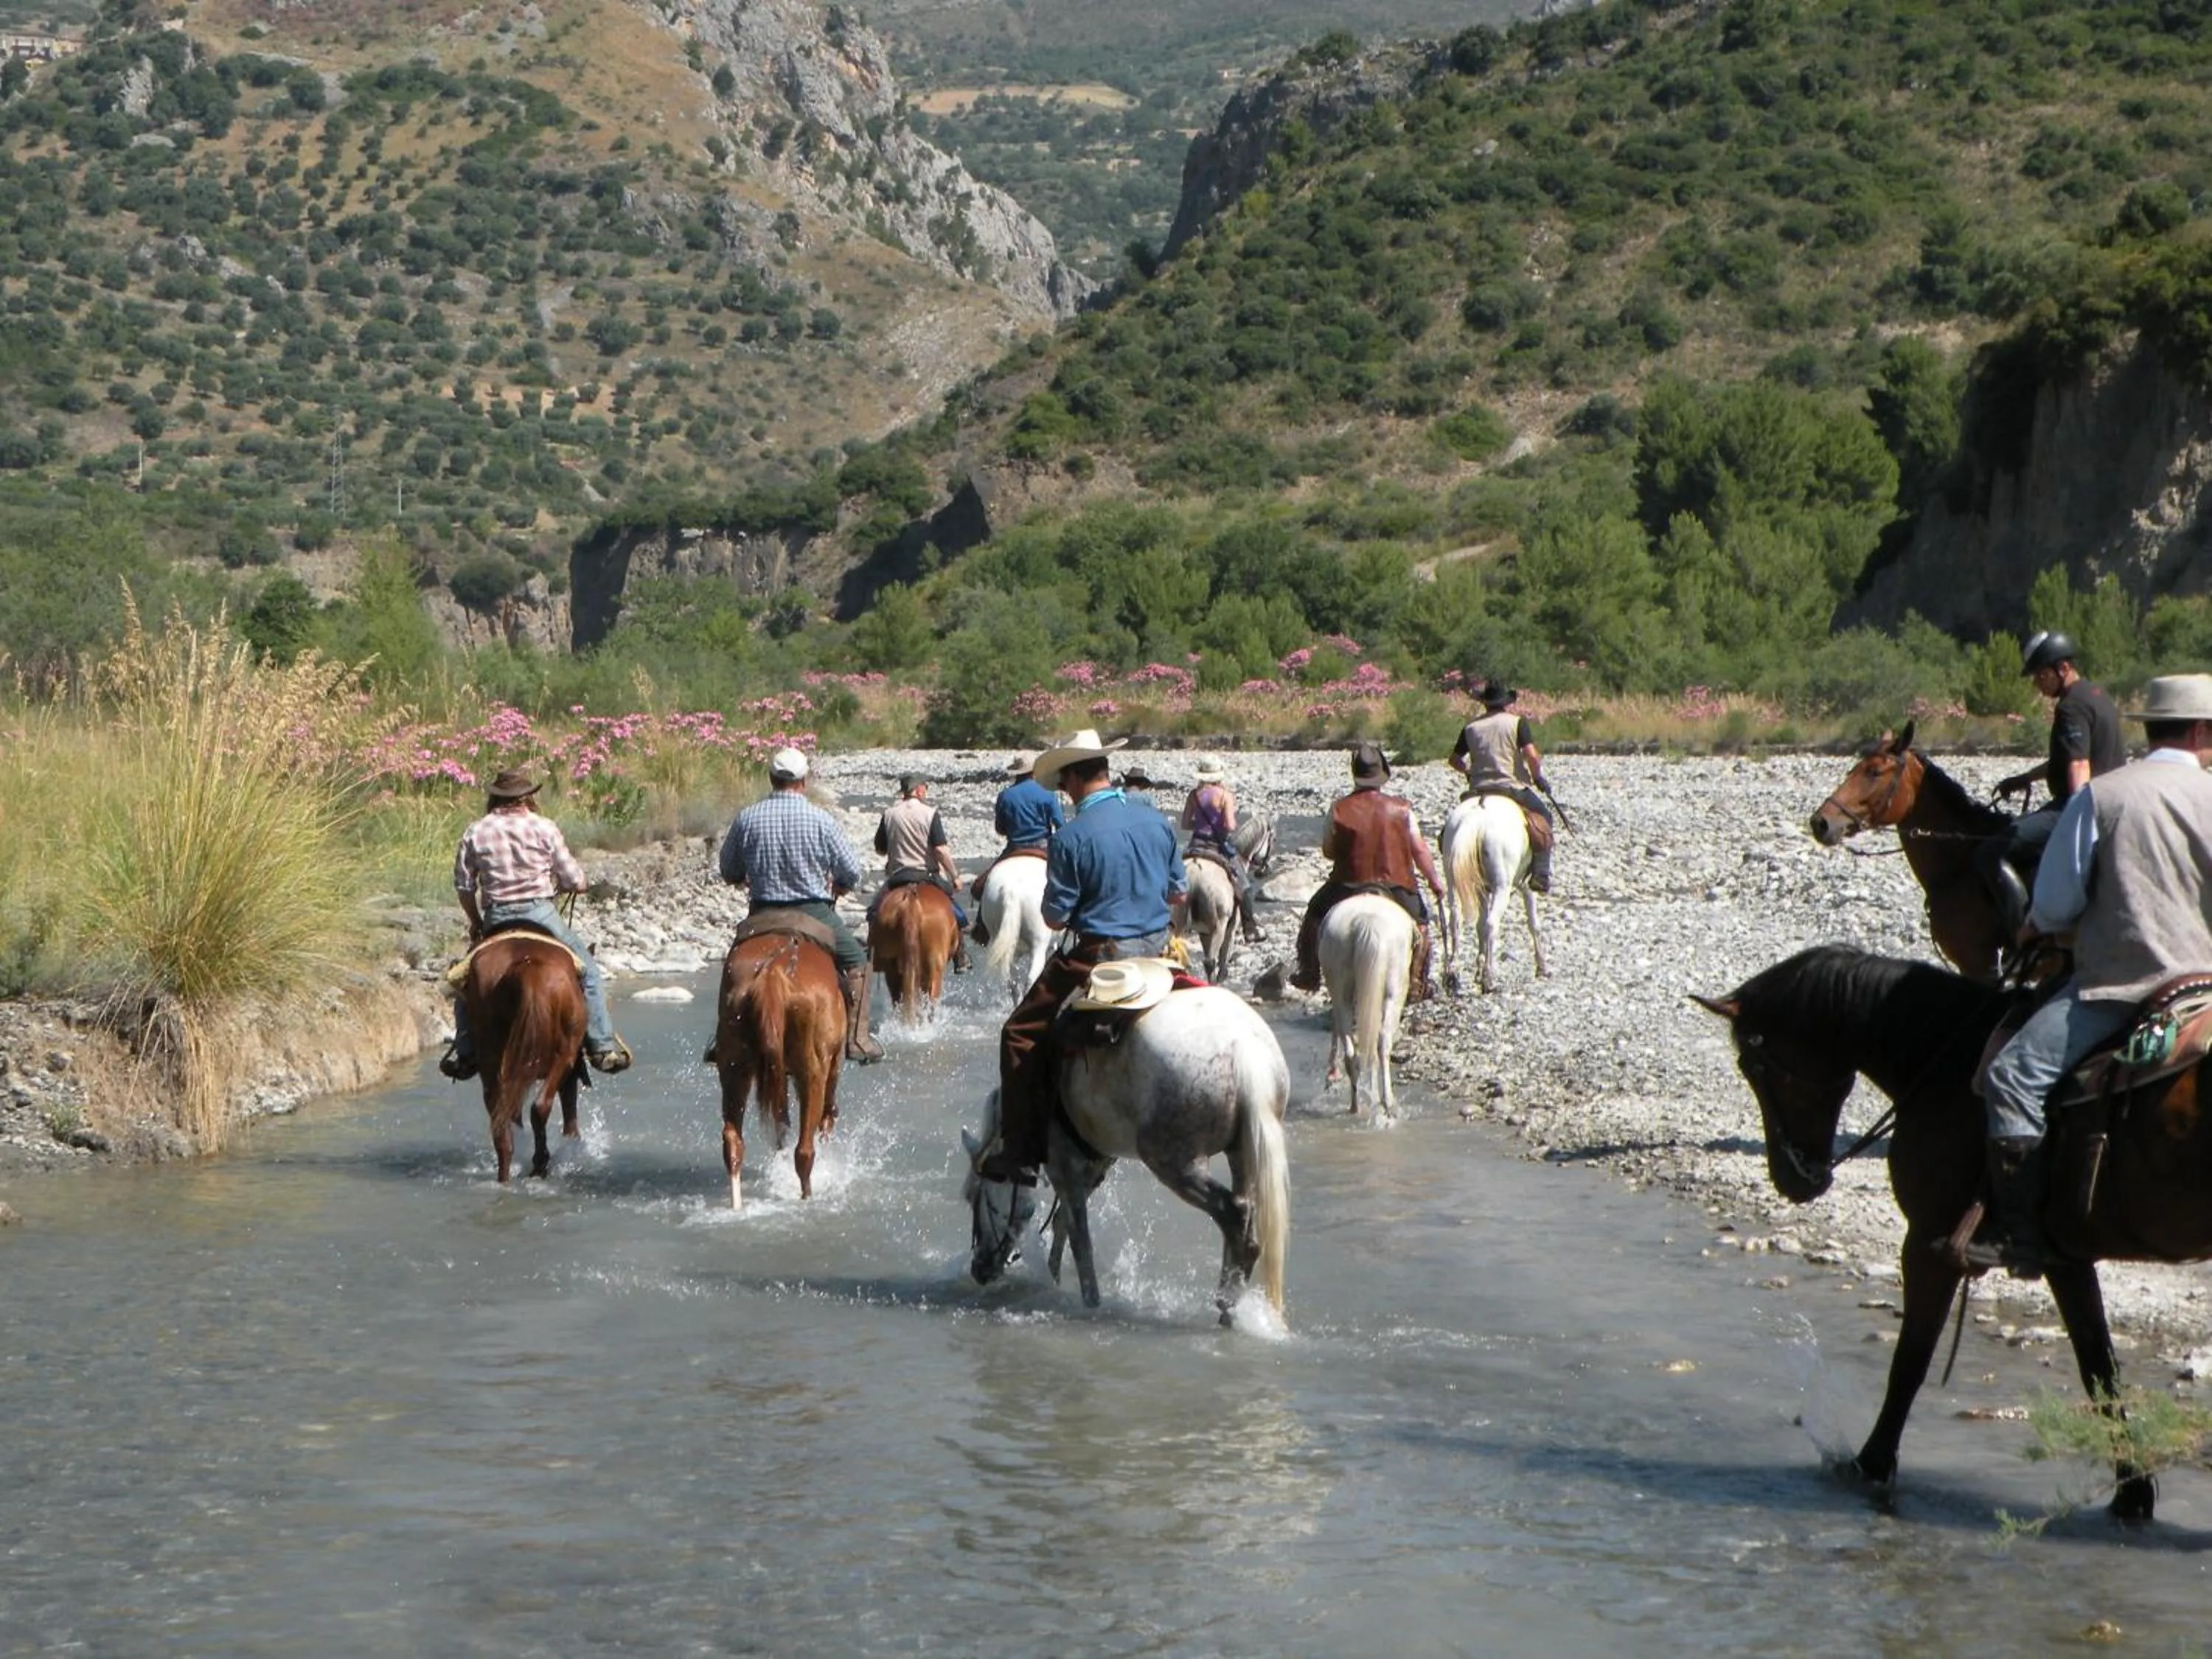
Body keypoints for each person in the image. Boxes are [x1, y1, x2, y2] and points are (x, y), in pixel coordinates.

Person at [1974, 674, 2212, 1276]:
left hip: (2123, 988)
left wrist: (2034, 928)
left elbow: (2055, 903)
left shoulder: (2104, 797)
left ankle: (2021, 1239)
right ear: (2202, 730)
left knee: (2012, 1077)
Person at [976, 728, 1186, 1182]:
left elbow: (1054, 918)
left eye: (1063, 783)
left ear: (1072, 779)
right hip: (1161, 951)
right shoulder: (1156, 819)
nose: (1063, 793)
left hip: (1101, 956)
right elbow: (1177, 895)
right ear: (1105, 771)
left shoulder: (1071, 838)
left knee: (1017, 1032)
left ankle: (1021, 1154)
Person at [440, 768, 630, 1079]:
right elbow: (575, 880)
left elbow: (464, 887)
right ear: (527, 796)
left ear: (495, 797)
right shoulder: (544, 826)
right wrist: (572, 885)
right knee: (590, 972)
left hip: (497, 916)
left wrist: (476, 922)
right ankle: (603, 1046)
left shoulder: (476, 831)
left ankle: (466, 1052)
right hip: (541, 914)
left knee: (464, 982)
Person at [717, 746, 884, 1063]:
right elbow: (852, 871)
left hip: (763, 913)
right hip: (814, 912)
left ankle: (724, 1037)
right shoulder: (821, 820)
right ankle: (857, 1039)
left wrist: (746, 876)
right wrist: (842, 886)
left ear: (771, 778)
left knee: (733, 967)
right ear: (804, 781)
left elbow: (729, 870)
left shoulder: (747, 818)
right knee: (857, 962)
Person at [1976, 630, 2126, 932]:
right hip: (2110, 800)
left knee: (1989, 852)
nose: (2036, 682)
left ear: (2063, 668)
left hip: (2083, 806)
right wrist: (2025, 778)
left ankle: (2024, 935)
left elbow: (2080, 764)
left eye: (2041, 674)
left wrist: (2075, 817)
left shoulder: (2070, 708)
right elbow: (2070, 756)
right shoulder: (2097, 696)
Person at [1289, 742, 1444, 999]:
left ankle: (1309, 973)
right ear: (1381, 774)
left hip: (1347, 884)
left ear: (1355, 774)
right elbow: (1420, 851)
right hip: (1396, 884)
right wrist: (1434, 881)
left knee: (1314, 913)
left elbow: (1328, 851)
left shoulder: (1339, 809)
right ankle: (1417, 981)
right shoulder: (1403, 809)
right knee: (1421, 924)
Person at [1450, 679, 1556, 895]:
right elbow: (1532, 756)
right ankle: (1541, 873)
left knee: (1451, 827)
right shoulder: (1517, 723)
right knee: (1544, 817)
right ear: (1506, 703)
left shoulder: (1471, 727)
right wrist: (1538, 777)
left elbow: (1454, 760)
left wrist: (1468, 771)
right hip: (1511, 787)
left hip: (1478, 789)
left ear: (1485, 703)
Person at [872, 774, 970, 973]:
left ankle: (873, 953)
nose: (926, 791)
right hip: (927, 876)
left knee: (874, 911)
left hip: (898, 876)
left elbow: (880, 849)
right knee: (957, 912)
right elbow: (940, 850)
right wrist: (955, 876)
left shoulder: (889, 814)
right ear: (918, 791)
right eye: (925, 788)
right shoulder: (930, 813)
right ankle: (961, 956)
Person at [972, 751, 1065, 941]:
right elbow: (1061, 825)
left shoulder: (1005, 795)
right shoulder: (1048, 795)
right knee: (1067, 882)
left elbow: (1000, 829)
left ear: (1017, 773)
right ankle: (1071, 922)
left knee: (983, 885)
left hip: (1014, 848)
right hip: (1043, 846)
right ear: (1034, 772)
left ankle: (981, 929)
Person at [1180, 755, 1265, 945]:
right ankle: (1250, 928)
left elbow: (1185, 823)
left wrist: (1201, 826)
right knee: (1244, 885)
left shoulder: (1194, 795)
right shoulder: (1225, 795)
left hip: (1196, 845)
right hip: (1216, 846)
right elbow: (1231, 825)